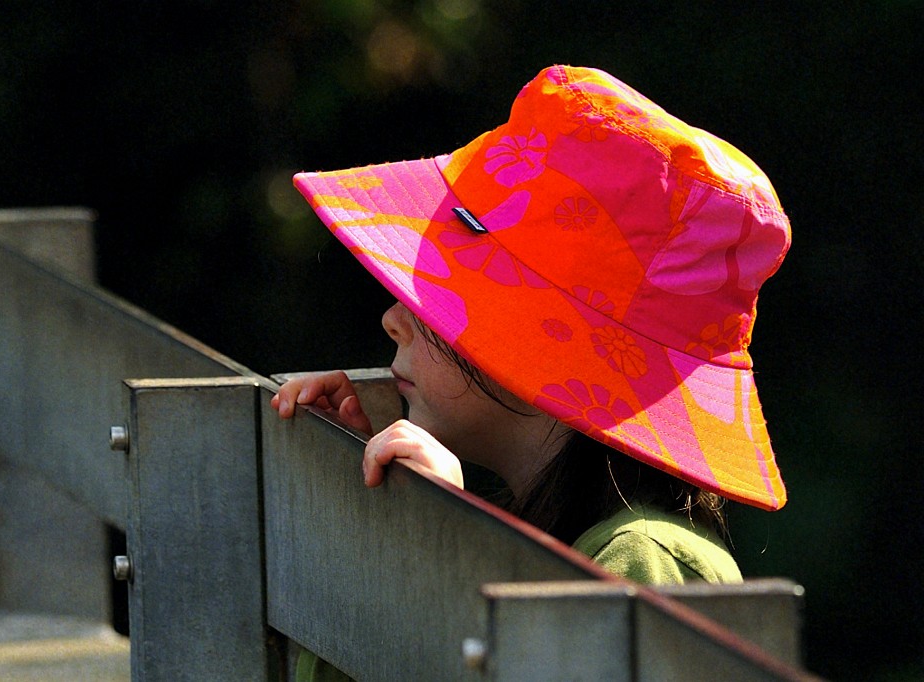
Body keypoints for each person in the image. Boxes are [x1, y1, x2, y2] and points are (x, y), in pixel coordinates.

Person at [271, 64, 791, 679]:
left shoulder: (642, 565)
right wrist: (387, 521)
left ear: (548, 350)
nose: (392, 317)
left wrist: (446, 548)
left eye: (441, 299)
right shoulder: (561, 534)